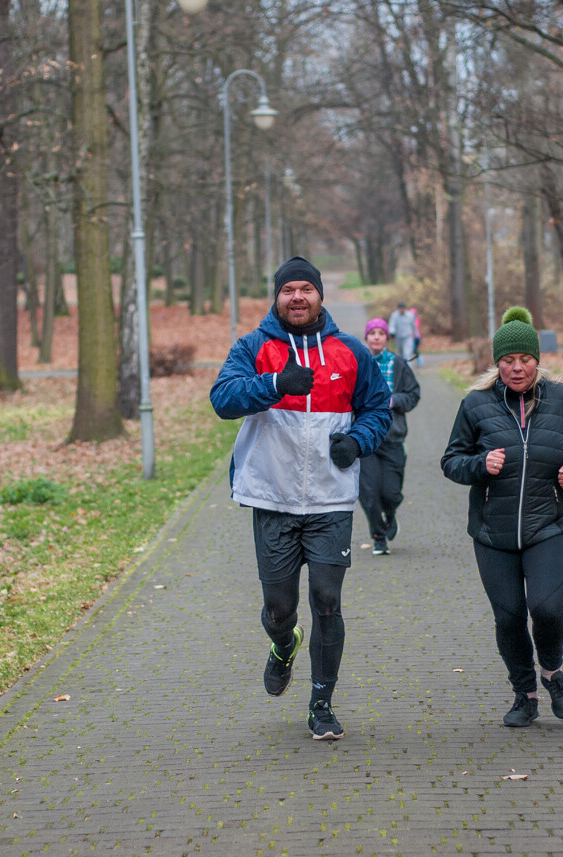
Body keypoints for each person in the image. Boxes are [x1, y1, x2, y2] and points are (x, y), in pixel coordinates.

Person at [210, 256, 391, 741]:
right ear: (276, 297)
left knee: (328, 601)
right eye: (288, 289)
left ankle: (322, 704)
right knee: (279, 607)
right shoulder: (254, 347)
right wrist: (273, 384)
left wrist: (358, 442)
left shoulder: (351, 352)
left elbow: (378, 408)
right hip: (272, 498)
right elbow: (222, 399)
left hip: (331, 500)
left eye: (305, 289)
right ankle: (283, 642)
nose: (297, 297)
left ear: (319, 296)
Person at [440, 307, 563, 728]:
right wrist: (479, 465)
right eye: (508, 361)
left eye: (524, 360)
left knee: (546, 609)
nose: (516, 368)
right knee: (509, 615)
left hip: (547, 524)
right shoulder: (475, 405)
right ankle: (525, 693)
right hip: (493, 531)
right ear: (497, 363)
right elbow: (451, 460)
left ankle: (552, 673)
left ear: (536, 359)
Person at [357, 317, 420, 556]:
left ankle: (390, 514)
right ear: (366, 337)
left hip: (393, 438)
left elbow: (413, 394)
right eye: (371, 332)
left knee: (390, 493)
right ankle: (378, 537)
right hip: (365, 439)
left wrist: (396, 400)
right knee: (369, 492)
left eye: (380, 333)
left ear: (386, 338)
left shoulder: (399, 364)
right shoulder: (358, 363)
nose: (375, 336)